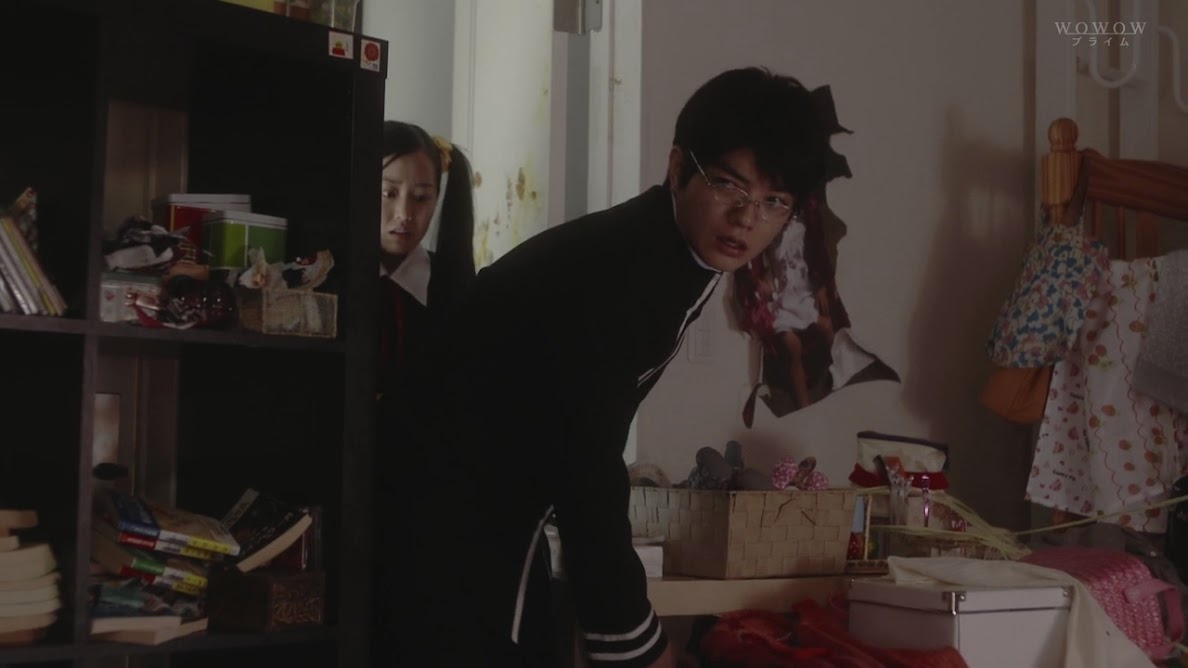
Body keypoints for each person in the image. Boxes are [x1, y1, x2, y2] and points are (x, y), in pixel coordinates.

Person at [374, 67, 829, 667]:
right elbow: (585, 462)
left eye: (774, 202)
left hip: (470, 514)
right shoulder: (625, 273)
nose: (748, 218)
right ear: (678, 168)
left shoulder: (665, 253)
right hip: (440, 519)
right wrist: (636, 639)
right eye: (728, 186)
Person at [376, 120, 476, 398]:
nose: (404, 214)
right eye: (388, 193)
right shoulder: (326, 274)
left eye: (421, 198)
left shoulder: (456, 287)